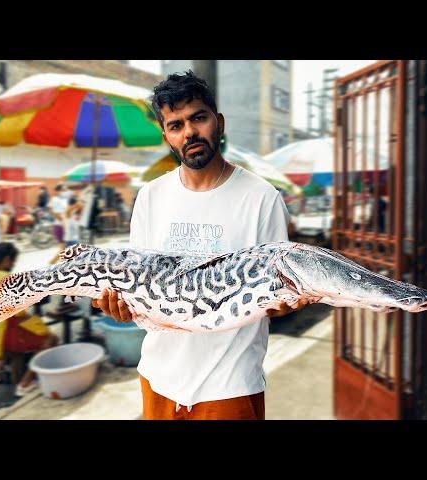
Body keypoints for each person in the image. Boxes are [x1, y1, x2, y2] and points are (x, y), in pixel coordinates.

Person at [92, 71, 310, 420]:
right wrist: (120, 305)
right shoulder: (150, 196)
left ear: (218, 121)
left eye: (198, 117)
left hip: (231, 385)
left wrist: (286, 301)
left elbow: (279, 285)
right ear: (166, 136)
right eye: (176, 125)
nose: (189, 132)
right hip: (159, 379)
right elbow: (135, 281)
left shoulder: (262, 198)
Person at [0, 242, 59, 397]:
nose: (13, 265)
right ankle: (25, 383)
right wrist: (43, 327)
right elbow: (20, 315)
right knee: (51, 339)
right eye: (13, 261)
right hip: (3, 337)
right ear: (7, 259)